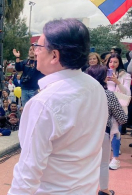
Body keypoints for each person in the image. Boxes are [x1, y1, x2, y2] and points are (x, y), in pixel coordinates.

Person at [9, 19, 108, 194]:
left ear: (54, 55)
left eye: (38, 47)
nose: (35, 52)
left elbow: (27, 175)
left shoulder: (44, 104)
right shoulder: (95, 87)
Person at [86, 65, 127, 195]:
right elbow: (122, 118)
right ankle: (104, 190)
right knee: (103, 163)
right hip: (102, 132)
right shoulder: (108, 95)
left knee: (84, 163)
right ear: (102, 78)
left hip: (82, 133)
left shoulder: (81, 94)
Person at [106, 53, 131, 170]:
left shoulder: (125, 75)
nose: (112, 64)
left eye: (115, 62)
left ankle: (115, 159)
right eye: (111, 62)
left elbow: (127, 93)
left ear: (119, 63)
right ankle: (103, 157)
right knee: (104, 132)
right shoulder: (104, 73)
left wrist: (118, 82)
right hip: (105, 106)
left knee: (117, 132)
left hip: (119, 107)